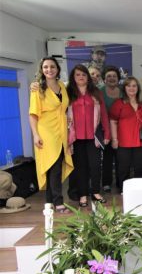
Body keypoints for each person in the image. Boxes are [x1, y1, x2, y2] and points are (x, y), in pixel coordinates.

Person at [28, 57, 74, 213]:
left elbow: (64, 108)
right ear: (42, 69)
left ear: (57, 69)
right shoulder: (37, 89)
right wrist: (35, 135)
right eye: (45, 67)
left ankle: (49, 202)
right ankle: (58, 202)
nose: (49, 69)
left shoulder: (61, 85)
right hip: (46, 131)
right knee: (53, 166)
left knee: (55, 166)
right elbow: (33, 114)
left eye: (52, 66)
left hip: (61, 131)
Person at [66, 64, 110, 206]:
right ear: (73, 77)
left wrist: (107, 134)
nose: (81, 77)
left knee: (96, 165)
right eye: (78, 74)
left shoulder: (96, 92)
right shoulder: (68, 92)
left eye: (83, 75)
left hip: (94, 136)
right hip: (76, 137)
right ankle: (83, 195)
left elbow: (103, 114)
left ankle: (96, 192)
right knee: (80, 167)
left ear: (88, 77)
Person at [110, 77, 142, 192]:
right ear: (124, 88)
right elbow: (113, 121)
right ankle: (123, 190)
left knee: (141, 168)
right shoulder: (118, 103)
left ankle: (140, 191)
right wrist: (114, 139)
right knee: (123, 168)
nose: (131, 88)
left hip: (140, 141)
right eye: (129, 86)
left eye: (134, 86)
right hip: (123, 141)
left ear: (138, 88)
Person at [99, 66, 123, 192]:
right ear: (104, 79)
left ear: (118, 79)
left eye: (114, 76)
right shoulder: (99, 92)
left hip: (122, 130)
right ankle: (106, 183)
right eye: (109, 76)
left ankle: (121, 182)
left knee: (121, 157)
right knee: (107, 157)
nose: (112, 78)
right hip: (105, 130)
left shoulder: (124, 91)